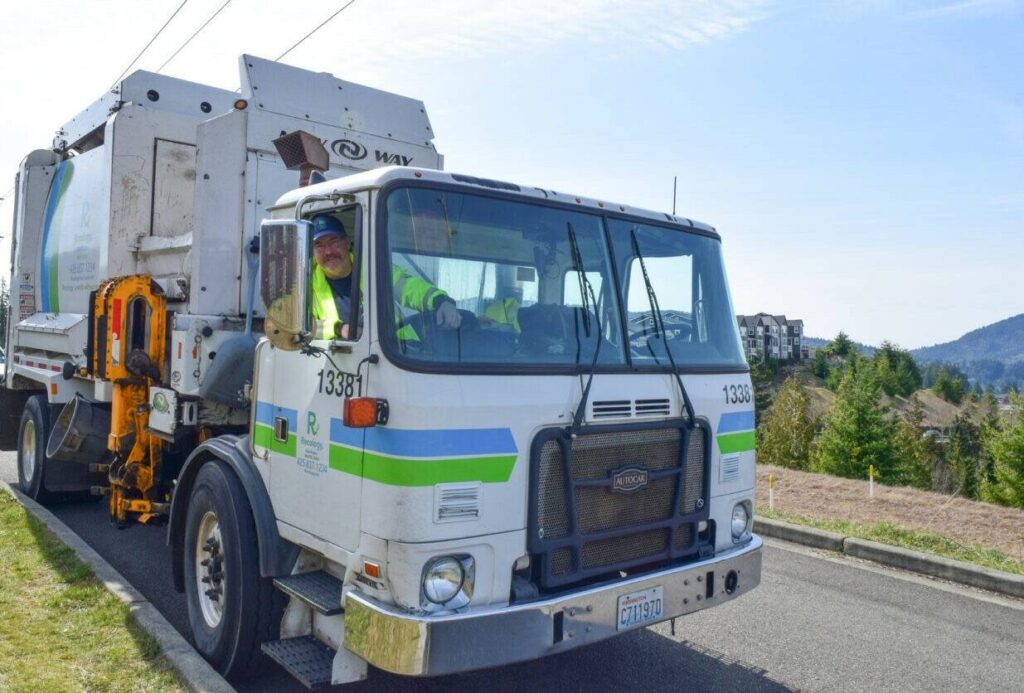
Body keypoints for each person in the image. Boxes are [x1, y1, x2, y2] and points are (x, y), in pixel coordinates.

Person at [309, 214, 461, 339]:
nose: (328, 252)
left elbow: (408, 287)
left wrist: (440, 301)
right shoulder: (305, 283)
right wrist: (339, 329)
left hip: (397, 354)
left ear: (347, 242)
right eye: (319, 245)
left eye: (334, 242)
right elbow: (298, 327)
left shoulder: (374, 265)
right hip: (340, 362)